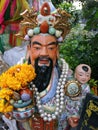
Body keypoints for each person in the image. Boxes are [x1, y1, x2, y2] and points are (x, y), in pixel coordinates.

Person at [2, 2, 90, 130]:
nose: (44, 53)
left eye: (50, 48)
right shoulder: (15, 76)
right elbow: (6, 108)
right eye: (37, 47)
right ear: (29, 49)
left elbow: (78, 101)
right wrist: (11, 111)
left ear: (57, 51)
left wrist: (73, 115)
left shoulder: (66, 75)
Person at [64, 64, 91, 130]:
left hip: (79, 110)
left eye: (87, 75)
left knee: (76, 126)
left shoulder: (86, 87)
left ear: (89, 77)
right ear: (75, 75)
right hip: (68, 108)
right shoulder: (71, 83)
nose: (84, 77)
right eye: (81, 75)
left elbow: (87, 98)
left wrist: (80, 98)